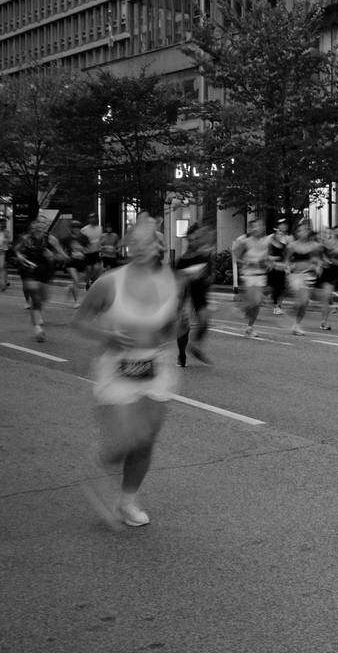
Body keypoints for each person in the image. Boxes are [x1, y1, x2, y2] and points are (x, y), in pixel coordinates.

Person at [75, 216, 180, 529]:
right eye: (135, 242)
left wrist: (182, 327)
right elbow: (79, 320)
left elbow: (170, 327)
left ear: (159, 246)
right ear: (127, 247)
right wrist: (106, 336)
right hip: (117, 369)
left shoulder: (170, 281)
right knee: (126, 442)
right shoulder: (109, 282)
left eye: (148, 242)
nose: (141, 248)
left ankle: (127, 502)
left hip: (156, 366)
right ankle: (103, 458)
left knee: (146, 440)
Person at [13, 218, 66, 342]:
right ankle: (38, 329)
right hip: (29, 270)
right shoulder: (25, 239)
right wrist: (20, 256)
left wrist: (53, 256)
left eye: (42, 225)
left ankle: (37, 315)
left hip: (45, 272)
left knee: (43, 299)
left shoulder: (51, 240)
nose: (39, 228)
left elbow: (64, 256)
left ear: (46, 227)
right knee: (36, 298)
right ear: (32, 228)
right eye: (36, 225)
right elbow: (16, 250)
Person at [174, 223, 215, 367]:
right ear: (187, 240)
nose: (193, 242)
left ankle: (195, 345)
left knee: (204, 320)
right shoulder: (182, 260)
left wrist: (207, 278)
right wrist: (188, 277)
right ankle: (181, 355)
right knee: (183, 325)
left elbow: (210, 275)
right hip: (185, 293)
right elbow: (176, 279)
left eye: (196, 239)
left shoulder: (205, 256)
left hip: (199, 292)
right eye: (190, 240)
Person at [232, 219, 270, 337]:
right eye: (255, 226)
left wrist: (268, 262)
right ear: (251, 229)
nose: (257, 228)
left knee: (257, 302)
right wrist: (247, 262)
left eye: (260, 226)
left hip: (261, 274)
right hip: (248, 275)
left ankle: (250, 326)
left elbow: (267, 258)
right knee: (253, 302)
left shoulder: (266, 242)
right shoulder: (245, 242)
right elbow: (236, 256)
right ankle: (244, 308)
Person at [286, 220, 323, 336]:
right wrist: (287, 268)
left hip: (309, 275)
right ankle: (295, 309)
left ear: (309, 232)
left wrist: (318, 266)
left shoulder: (315, 246)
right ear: (297, 233)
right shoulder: (292, 246)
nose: (303, 233)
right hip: (295, 275)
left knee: (305, 302)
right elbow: (286, 259)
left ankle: (296, 325)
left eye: (306, 230)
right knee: (302, 300)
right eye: (301, 231)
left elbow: (318, 260)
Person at [314, 225, 338, 331]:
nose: (326, 235)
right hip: (316, 273)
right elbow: (318, 259)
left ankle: (324, 322)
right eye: (324, 233)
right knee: (310, 298)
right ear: (320, 235)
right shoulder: (316, 246)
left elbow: (337, 258)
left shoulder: (335, 246)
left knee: (326, 296)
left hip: (330, 274)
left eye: (329, 234)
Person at [266, 219, 291, 316]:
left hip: (282, 267)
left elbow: (288, 254)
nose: (283, 227)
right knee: (273, 287)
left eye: (285, 225)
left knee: (282, 287)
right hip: (272, 266)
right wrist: (271, 260)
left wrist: (287, 266)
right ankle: (274, 302)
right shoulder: (270, 238)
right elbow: (266, 253)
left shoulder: (288, 239)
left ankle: (278, 306)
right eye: (281, 225)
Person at [63, 220, 89, 307]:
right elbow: (62, 250)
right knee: (76, 280)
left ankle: (71, 287)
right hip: (71, 263)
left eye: (78, 228)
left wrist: (82, 250)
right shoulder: (67, 239)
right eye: (74, 228)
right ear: (71, 229)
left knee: (77, 281)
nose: (76, 229)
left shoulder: (84, 238)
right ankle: (77, 301)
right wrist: (66, 256)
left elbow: (88, 249)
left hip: (81, 262)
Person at [81, 212, 104, 286]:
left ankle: (93, 281)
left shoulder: (100, 228)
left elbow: (100, 239)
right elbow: (81, 241)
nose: (92, 219)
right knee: (89, 269)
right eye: (90, 218)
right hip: (87, 252)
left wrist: (101, 247)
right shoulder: (84, 229)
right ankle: (87, 283)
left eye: (94, 217)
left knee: (96, 268)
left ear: (97, 218)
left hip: (96, 252)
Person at [0, 217, 10, 290]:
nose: (3, 225)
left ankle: (3, 284)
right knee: (3, 268)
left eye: (4, 224)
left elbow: (7, 243)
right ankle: (4, 283)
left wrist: (3, 249)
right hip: (2, 252)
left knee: (2, 267)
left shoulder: (6, 232)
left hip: (3, 252)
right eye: (2, 224)